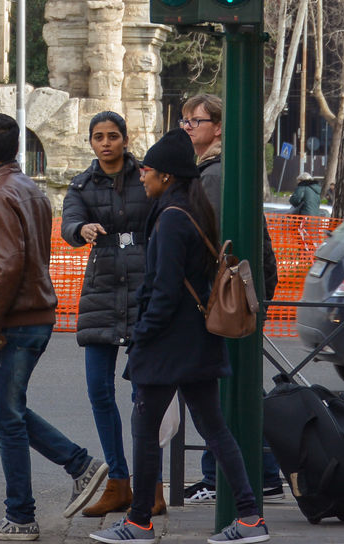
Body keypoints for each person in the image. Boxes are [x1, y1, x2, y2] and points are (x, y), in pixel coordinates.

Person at [89, 127, 270, 544]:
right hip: (196, 339)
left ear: (167, 176)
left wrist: (141, 335)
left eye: (148, 171)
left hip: (168, 343)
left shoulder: (170, 220)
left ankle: (138, 522)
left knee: (145, 429)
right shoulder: (191, 208)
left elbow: (164, 289)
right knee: (214, 428)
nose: (141, 177)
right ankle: (249, 517)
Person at [0, 113, 107, 541]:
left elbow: (7, 268)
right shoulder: (28, 188)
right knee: (6, 411)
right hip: (35, 313)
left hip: (17, 319)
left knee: (5, 419)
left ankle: (22, 515)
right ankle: (79, 466)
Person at [180, 93, 283, 502]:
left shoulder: (214, 173)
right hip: (236, 293)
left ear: (218, 127)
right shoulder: (212, 169)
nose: (186, 127)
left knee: (223, 385)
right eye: (184, 120)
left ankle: (232, 476)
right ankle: (259, 471)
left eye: (195, 121)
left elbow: (212, 240)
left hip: (227, 296)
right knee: (230, 385)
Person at [61, 111, 161, 519]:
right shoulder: (81, 185)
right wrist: (80, 230)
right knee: (99, 391)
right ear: (91, 142)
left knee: (144, 396)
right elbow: (69, 221)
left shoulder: (147, 177)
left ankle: (150, 484)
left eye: (113, 136)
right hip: (102, 291)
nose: (106, 143)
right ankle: (118, 482)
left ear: (125, 139)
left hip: (143, 289)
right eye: (98, 137)